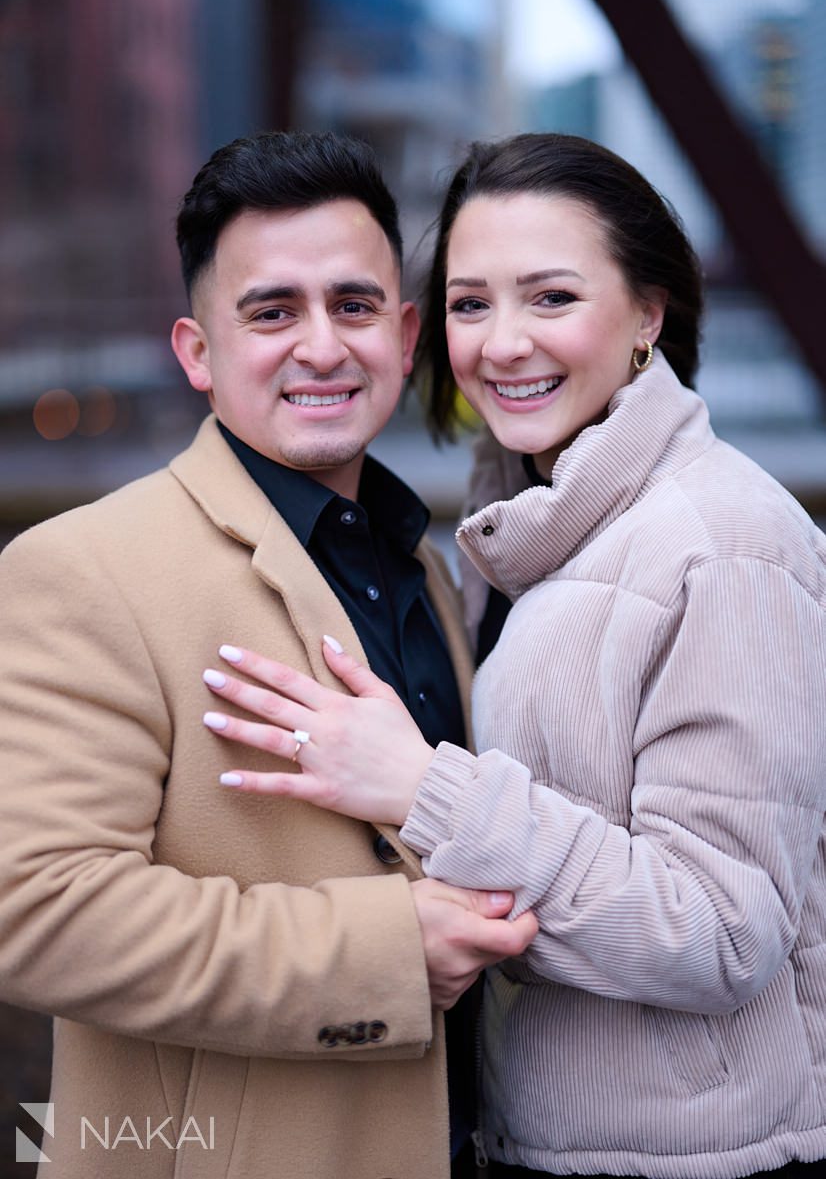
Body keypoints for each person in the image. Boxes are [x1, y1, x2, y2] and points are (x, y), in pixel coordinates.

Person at [196, 133, 826, 1179]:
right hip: (534, 1135)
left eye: (550, 298)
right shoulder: (516, 533)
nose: (501, 344)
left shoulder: (725, 545)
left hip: (698, 1160)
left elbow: (720, 928)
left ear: (648, 316)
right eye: (470, 303)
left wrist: (422, 788)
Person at [0, 130, 538, 1179]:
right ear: (198, 353)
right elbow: (39, 912)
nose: (323, 346)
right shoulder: (81, 569)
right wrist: (384, 953)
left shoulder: (425, 568)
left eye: (353, 304)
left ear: (405, 330)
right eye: (272, 312)